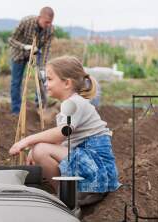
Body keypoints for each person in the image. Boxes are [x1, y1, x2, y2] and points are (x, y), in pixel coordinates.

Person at [9, 56, 121, 206]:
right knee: (39, 150)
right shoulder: (70, 105)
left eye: (49, 79)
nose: (46, 84)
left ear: (67, 83)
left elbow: (63, 132)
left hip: (97, 171)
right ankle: (69, 193)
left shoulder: (74, 103)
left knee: (41, 150)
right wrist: (32, 150)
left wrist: (28, 141)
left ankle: (68, 197)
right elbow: (60, 142)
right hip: (92, 167)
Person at [9, 7, 54, 114]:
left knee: (41, 79)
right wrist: (25, 47)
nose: (48, 25)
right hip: (19, 54)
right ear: (39, 17)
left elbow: (46, 48)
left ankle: (40, 107)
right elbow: (11, 40)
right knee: (16, 82)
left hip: (35, 55)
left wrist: (43, 67)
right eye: (46, 22)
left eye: (50, 22)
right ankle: (16, 110)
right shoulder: (26, 22)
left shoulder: (50, 29)